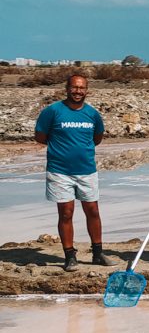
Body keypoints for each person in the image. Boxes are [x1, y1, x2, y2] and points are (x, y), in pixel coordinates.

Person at [34, 74, 115, 271]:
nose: (78, 91)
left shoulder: (93, 114)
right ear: (67, 88)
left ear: (87, 90)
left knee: (93, 211)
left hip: (87, 170)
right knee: (66, 213)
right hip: (59, 171)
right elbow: (40, 136)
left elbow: (97, 138)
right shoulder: (52, 111)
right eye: (74, 87)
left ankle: (97, 253)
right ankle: (70, 255)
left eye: (82, 88)